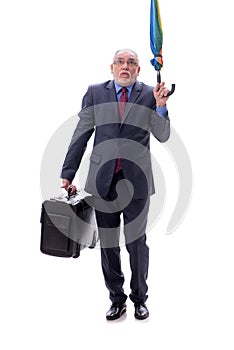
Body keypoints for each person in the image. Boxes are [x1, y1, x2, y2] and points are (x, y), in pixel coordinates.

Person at [60, 49, 171, 320]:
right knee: (109, 245)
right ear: (111, 67)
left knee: (136, 243)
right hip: (103, 182)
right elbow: (81, 134)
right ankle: (116, 299)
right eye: (120, 62)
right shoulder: (95, 92)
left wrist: (160, 106)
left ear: (138, 70)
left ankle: (139, 299)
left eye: (131, 63)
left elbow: (163, 135)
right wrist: (68, 172)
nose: (125, 66)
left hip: (137, 183)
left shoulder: (149, 94)